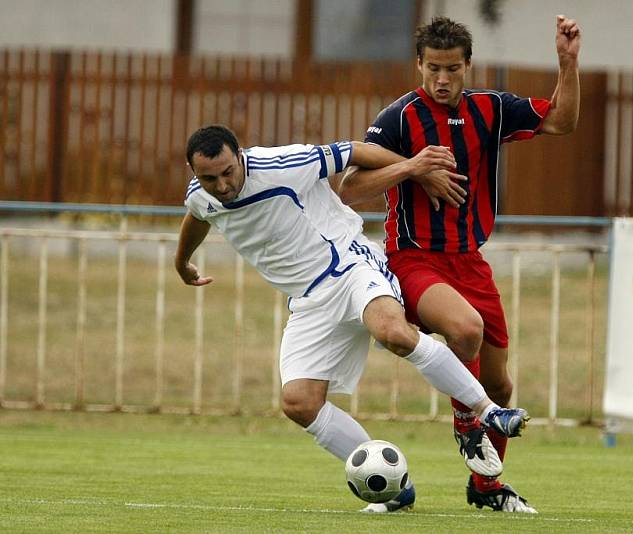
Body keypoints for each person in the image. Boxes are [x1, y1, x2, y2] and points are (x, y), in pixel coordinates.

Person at [175, 124, 531, 513]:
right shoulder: (201, 195)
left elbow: (356, 150)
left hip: (349, 264)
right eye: (210, 178)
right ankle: (396, 488)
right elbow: (197, 216)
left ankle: (489, 412)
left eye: (228, 172)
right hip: (309, 300)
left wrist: (415, 167)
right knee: (299, 403)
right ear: (195, 173)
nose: (223, 185)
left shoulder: (283, 163)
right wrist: (183, 262)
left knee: (394, 331)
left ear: (240, 155)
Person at [339, 15, 581, 514]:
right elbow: (351, 187)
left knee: (500, 385)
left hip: (471, 262)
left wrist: (567, 62)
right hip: (414, 259)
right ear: (419, 66)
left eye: (451, 68)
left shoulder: (491, 109)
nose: (442, 79)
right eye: (433, 69)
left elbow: (562, 120)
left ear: (468, 65)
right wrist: (414, 168)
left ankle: (487, 488)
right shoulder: (400, 118)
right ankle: (468, 424)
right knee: (465, 330)